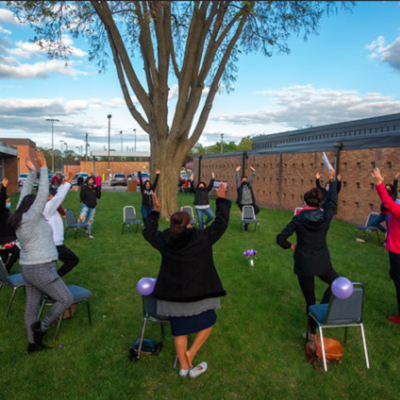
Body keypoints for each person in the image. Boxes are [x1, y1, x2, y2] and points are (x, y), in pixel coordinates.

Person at [142, 183, 231, 378]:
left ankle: (184, 367)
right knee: (210, 319)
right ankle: (190, 355)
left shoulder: (165, 239)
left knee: (179, 330)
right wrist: (222, 199)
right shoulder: (201, 237)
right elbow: (220, 224)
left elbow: (148, 233)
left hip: (172, 293)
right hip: (198, 291)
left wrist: (155, 212)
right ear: (189, 224)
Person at [8, 151, 73, 353]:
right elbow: (43, 192)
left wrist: (31, 172)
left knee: (31, 305)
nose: (40, 204)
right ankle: (42, 329)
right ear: (32, 208)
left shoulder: (20, 216)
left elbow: (25, 195)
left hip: (28, 267)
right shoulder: (31, 217)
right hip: (41, 268)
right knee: (66, 299)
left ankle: (32, 344)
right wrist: (43, 167)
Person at [276, 168, 339, 339]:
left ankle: (313, 330)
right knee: (338, 284)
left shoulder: (298, 218)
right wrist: (332, 180)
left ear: (305, 202)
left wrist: (291, 246)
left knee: (310, 301)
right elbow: (333, 201)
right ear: (319, 202)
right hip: (321, 262)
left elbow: (280, 238)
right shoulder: (325, 216)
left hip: (305, 262)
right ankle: (316, 325)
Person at [372, 168, 400, 324]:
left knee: (398, 281)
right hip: (395, 250)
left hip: (397, 252)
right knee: (393, 274)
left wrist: (379, 183)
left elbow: (388, 202)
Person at [43, 171, 79, 277]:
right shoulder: (46, 208)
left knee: (50, 267)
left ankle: (50, 283)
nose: (52, 199)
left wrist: (63, 183)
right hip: (54, 244)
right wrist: (69, 181)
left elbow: (56, 196)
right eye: (50, 196)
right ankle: (53, 281)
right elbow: (58, 198)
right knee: (73, 260)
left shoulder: (46, 206)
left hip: (51, 243)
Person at [0, 178, 20, 272]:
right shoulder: (1, 210)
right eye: (7, 201)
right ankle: (7, 269)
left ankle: (2, 274)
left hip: (6, 239)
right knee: (17, 252)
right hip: (5, 239)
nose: (9, 203)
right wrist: (4, 188)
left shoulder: (6, 211)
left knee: (4, 256)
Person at [235, 165, 259, 231]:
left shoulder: (249, 185)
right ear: (241, 180)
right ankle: (245, 225)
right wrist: (237, 171)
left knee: (257, 210)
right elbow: (237, 180)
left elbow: (252, 178)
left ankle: (248, 221)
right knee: (245, 214)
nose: (244, 180)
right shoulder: (239, 186)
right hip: (242, 203)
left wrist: (253, 171)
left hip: (250, 202)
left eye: (245, 179)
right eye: (243, 179)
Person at [79, 175, 101, 239]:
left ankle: (88, 234)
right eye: (90, 180)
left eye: (92, 180)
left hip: (93, 206)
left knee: (89, 221)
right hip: (85, 205)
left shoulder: (94, 188)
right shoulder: (85, 188)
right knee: (82, 219)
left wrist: (97, 188)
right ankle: (86, 228)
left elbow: (99, 196)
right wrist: (84, 188)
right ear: (87, 181)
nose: (91, 182)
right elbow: (82, 197)